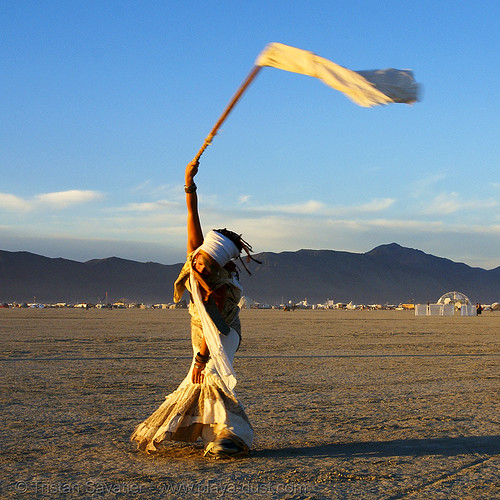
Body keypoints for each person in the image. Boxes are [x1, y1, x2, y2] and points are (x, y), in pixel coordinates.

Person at [131, 159, 255, 458]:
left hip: (222, 331)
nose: (197, 263)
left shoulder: (220, 287)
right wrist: (189, 183)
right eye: (198, 258)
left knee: (210, 374)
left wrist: (201, 357)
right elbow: (192, 214)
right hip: (200, 327)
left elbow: (215, 329)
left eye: (204, 263)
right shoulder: (195, 258)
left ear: (218, 265)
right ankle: (211, 434)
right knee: (195, 382)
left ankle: (234, 437)